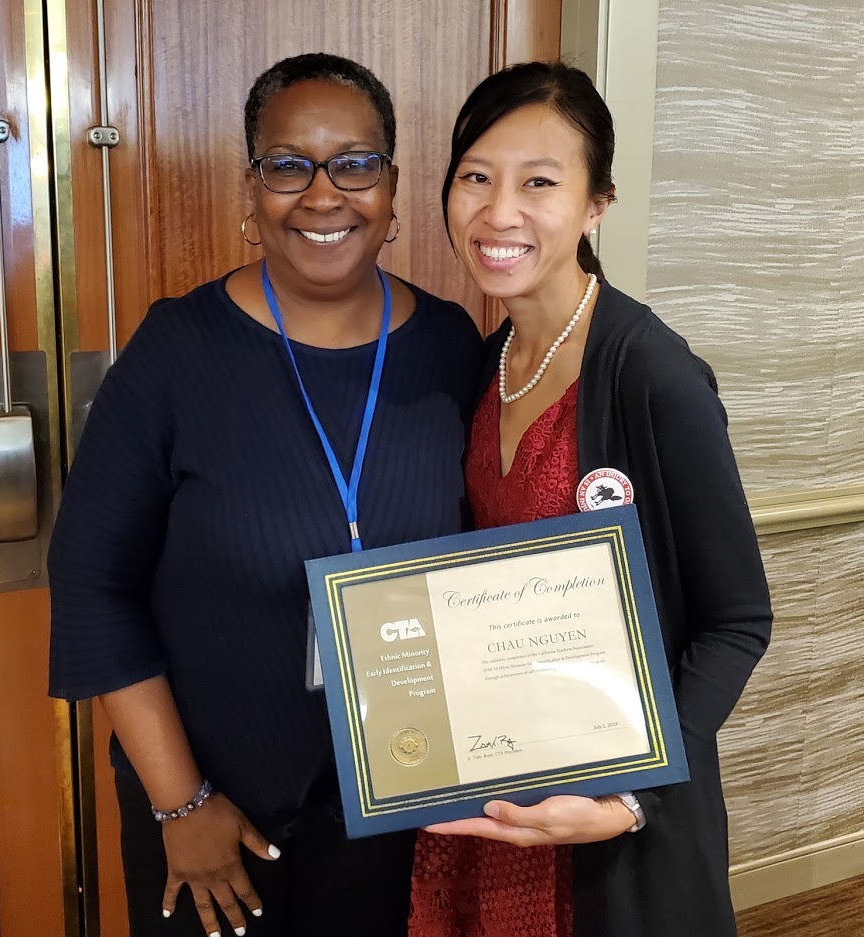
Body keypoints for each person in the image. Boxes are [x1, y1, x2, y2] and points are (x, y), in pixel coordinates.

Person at [48, 53, 484, 937]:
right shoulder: (177, 352)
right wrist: (180, 806)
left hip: (396, 802)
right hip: (211, 813)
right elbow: (93, 585)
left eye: (355, 163)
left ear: (393, 187)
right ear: (251, 192)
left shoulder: (450, 345)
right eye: (288, 165)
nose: (323, 194)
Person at [409, 61, 772, 937]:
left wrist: (632, 795)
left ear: (595, 204)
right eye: (475, 177)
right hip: (491, 790)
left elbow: (736, 620)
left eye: (539, 182)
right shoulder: (474, 365)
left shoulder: (652, 375)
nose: (498, 212)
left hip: (602, 814)